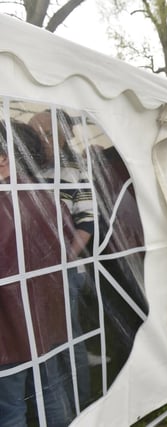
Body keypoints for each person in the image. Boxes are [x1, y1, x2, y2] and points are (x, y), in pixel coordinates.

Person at [0, 120, 75, 426]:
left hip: (8, 325)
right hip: (43, 318)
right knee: (50, 393)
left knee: (12, 407)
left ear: (4, 156)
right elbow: (67, 242)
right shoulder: (44, 195)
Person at [30, 110, 94, 409]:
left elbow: (88, 224)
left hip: (63, 271)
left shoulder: (74, 171)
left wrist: (62, 260)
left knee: (67, 339)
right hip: (31, 273)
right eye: (33, 132)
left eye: (43, 132)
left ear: (59, 138)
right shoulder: (27, 169)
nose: (37, 138)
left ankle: (80, 404)